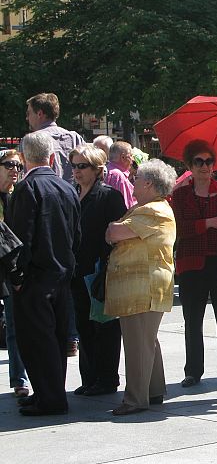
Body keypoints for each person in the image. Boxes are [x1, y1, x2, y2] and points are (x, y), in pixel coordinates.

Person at [8, 132, 81, 416]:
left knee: (38, 341)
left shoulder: (27, 189)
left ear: (25, 159)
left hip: (36, 277)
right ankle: (48, 393)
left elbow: (19, 239)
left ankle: (50, 398)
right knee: (55, 337)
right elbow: (76, 234)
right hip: (61, 274)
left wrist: (16, 277)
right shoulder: (66, 188)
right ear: (51, 157)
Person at [104, 159, 177, 415]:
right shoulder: (150, 208)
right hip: (144, 286)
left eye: (136, 178)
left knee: (137, 343)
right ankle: (154, 390)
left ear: (147, 183)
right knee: (146, 341)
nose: (132, 181)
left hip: (143, 286)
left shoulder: (153, 210)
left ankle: (135, 399)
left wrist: (113, 230)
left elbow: (114, 232)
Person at [171, 140, 217, 389]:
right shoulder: (180, 194)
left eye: (209, 161)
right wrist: (210, 222)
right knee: (192, 319)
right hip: (191, 264)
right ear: (190, 164)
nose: (204, 166)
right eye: (198, 161)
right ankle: (193, 371)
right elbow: (181, 229)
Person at [69, 145, 127, 396]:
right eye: (74, 166)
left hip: (101, 269)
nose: (77, 171)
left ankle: (107, 378)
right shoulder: (71, 193)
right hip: (76, 270)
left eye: (82, 166)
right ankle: (89, 377)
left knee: (105, 326)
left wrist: (107, 266)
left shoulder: (109, 196)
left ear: (97, 169)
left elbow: (118, 235)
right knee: (83, 325)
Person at [0, 149, 28, 397]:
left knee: (15, 327)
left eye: (18, 166)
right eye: (8, 164)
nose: (14, 170)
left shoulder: (18, 195)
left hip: (9, 274)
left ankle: (20, 380)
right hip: (7, 271)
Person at [25, 93, 85, 182]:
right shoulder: (75, 138)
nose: (27, 118)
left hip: (43, 193)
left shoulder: (30, 141)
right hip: (73, 193)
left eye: (28, 113)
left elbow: (27, 175)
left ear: (39, 114)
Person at [105, 141, 137, 208]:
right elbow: (124, 205)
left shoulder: (109, 171)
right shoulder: (117, 176)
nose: (132, 159)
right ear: (122, 157)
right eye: (131, 156)